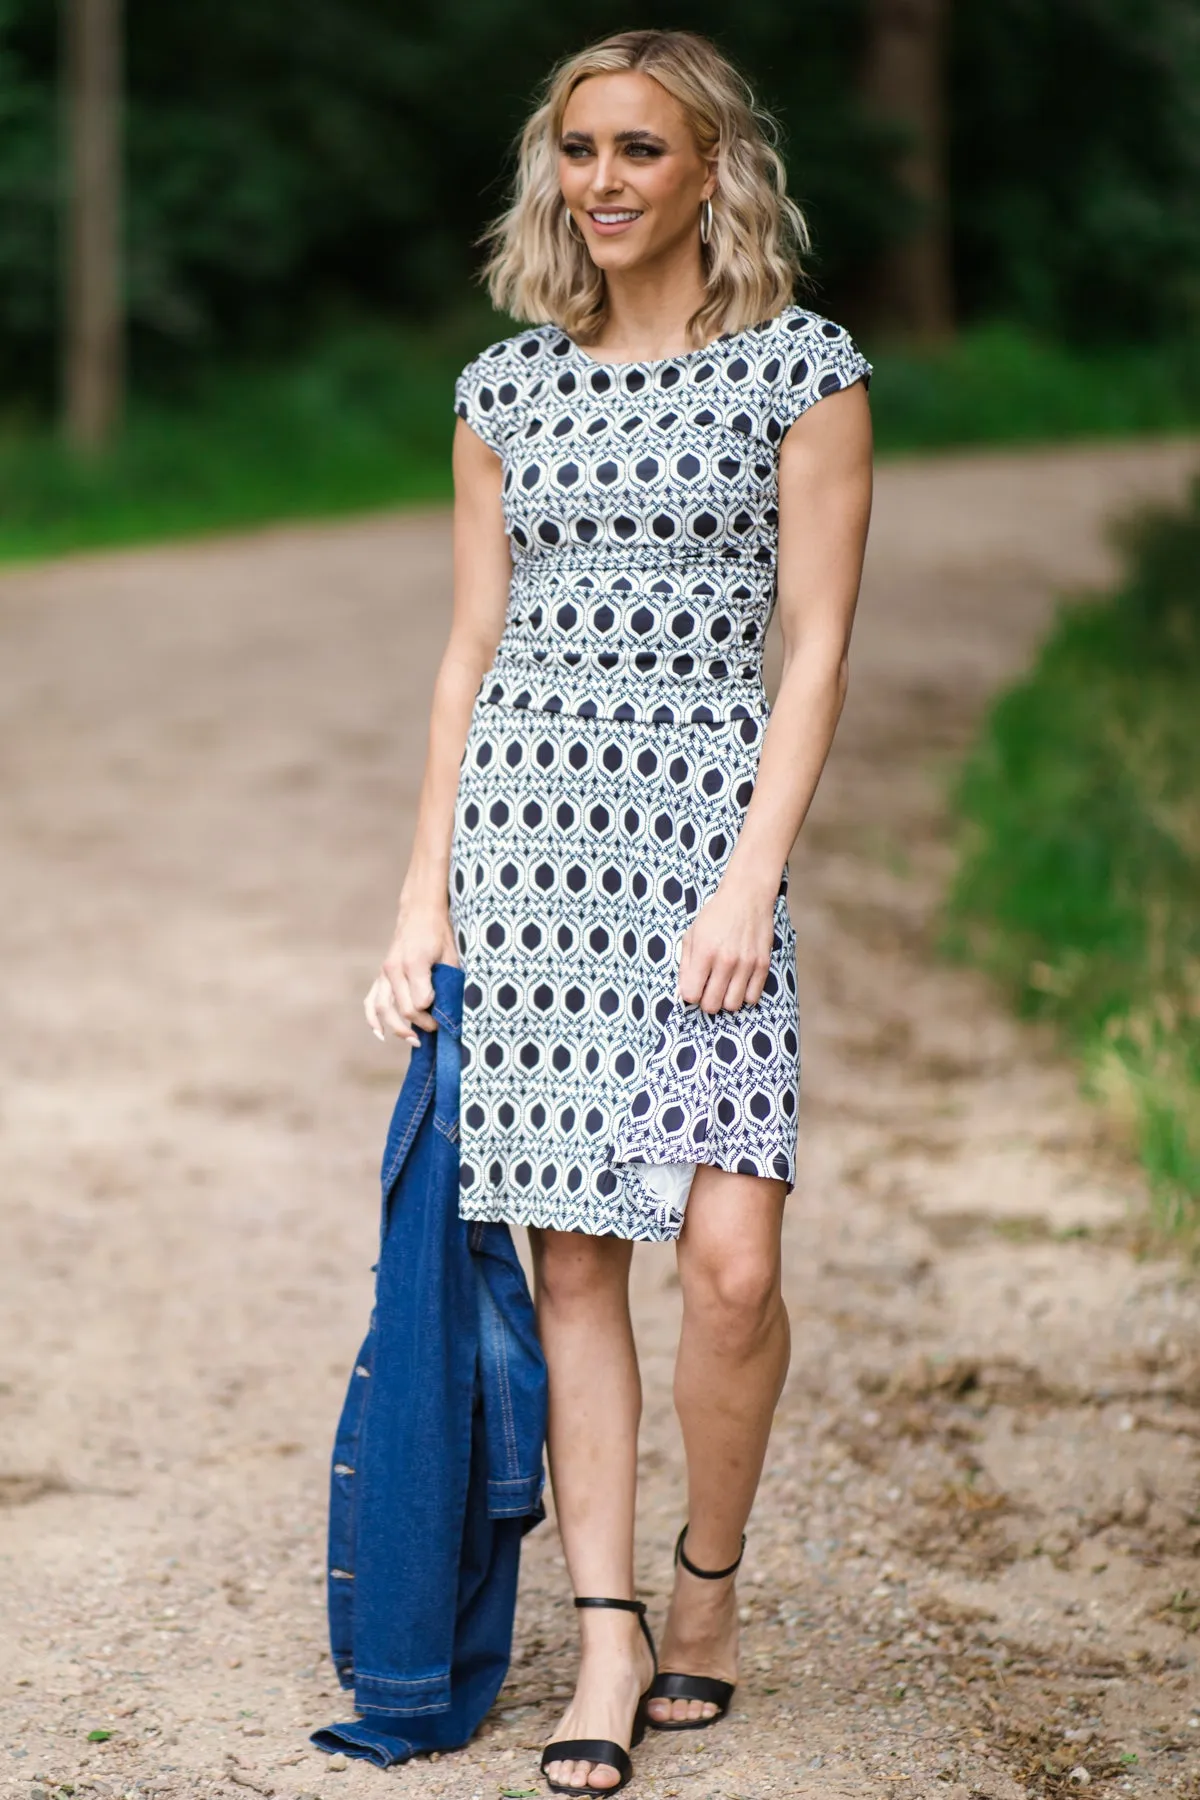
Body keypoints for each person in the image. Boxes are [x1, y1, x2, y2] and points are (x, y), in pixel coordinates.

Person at [364, 27, 873, 1798]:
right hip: (531, 860)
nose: (604, 182)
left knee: (730, 1270)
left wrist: (751, 873)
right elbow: (468, 652)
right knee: (576, 1264)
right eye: (580, 149)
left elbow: (814, 646)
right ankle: (604, 1642)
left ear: (713, 166)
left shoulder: (802, 374)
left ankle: (706, 1588)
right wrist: (420, 896)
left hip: (703, 862)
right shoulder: (502, 389)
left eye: (641, 150)